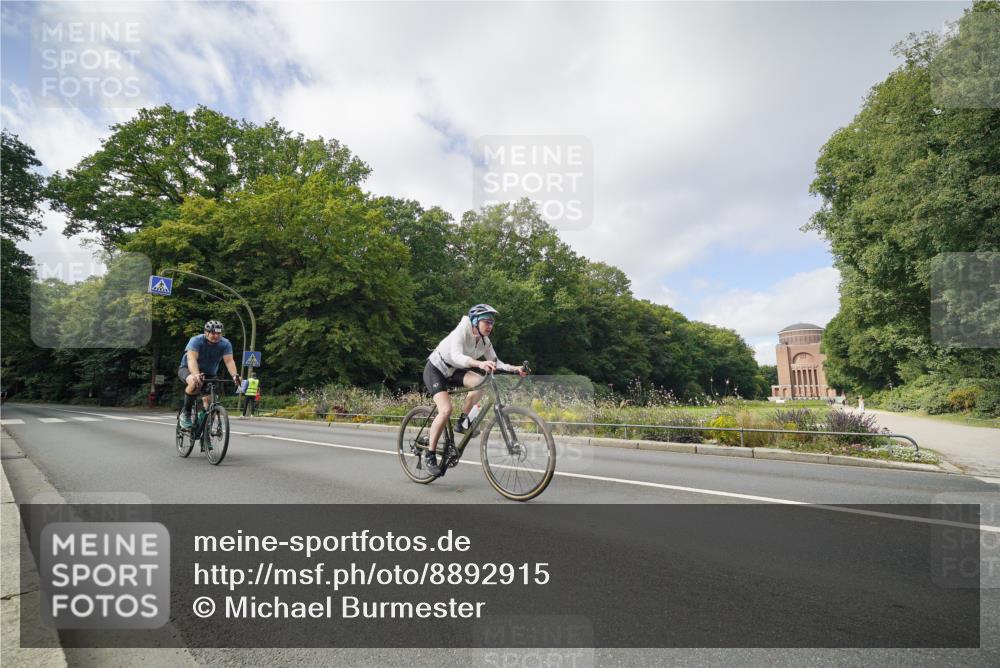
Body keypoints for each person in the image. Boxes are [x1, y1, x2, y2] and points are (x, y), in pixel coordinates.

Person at [422, 304, 527, 476]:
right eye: (486, 322)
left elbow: (497, 362)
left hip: (455, 370)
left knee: (480, 382)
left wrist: (515, 368)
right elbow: (456, 356)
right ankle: (430, 455)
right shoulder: (461, 331)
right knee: (446, 410)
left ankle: (462, 422)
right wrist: (479, 363)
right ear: (475, 322)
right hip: (437, 369)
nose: (490, 326)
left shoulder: (485, 341)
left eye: (492, 323)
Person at [178, 320, 240, 429]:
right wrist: (196, 375)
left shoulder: (225, 344)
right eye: (213, 333)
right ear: (206, 333)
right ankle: (186, 413)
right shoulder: (196, 340)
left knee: (211, 401)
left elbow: (229, 361)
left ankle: (204, 425)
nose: (216, 336)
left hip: (210, 374)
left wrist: (235, 376)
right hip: (188, 369)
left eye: (219, 333)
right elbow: (191, 359)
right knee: (195, 383)